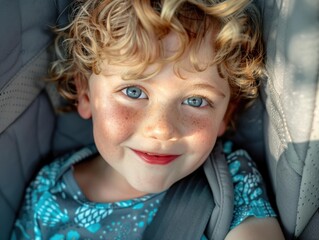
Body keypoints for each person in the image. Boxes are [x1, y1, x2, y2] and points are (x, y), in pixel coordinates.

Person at [11, 0, 285, 239]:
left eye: (196, 101)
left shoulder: (229, 180)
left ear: (225, 113)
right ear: (85, 94)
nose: (161, 130)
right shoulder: (48, 191)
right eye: (133, 92)